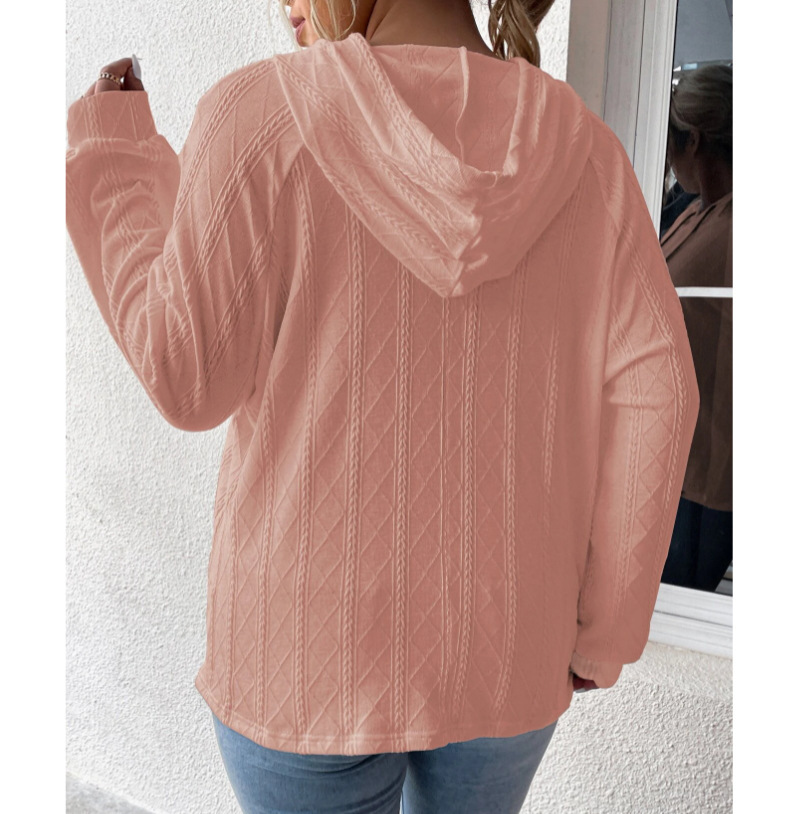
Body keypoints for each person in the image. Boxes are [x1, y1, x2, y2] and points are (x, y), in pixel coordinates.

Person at [65, 1, 699, 811]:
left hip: (305, 655)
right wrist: (603, 630)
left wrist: (116, 161)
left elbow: (187, 379)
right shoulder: (587, 153)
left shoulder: (258, 116)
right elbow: (659, 392)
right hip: (510, 645)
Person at [660, 64, 733, 592]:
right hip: (673, 456)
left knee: (675, 597)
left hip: (711, 473)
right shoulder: (692, 213)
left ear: (695, 140)